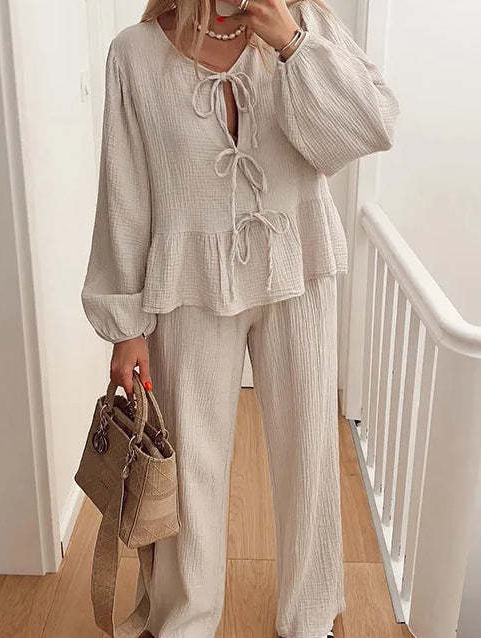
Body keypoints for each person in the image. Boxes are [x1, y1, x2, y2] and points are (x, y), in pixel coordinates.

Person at [81, 0, 399, 636]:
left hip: (297, 266)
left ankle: (310, 615)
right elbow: (124, 192)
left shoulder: (308, 25)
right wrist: (127, 325)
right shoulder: (135, 55)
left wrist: (291, 43)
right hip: (188, 282)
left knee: (309, 452)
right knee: (190, 465)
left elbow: (368, 128)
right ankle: (186, 618)